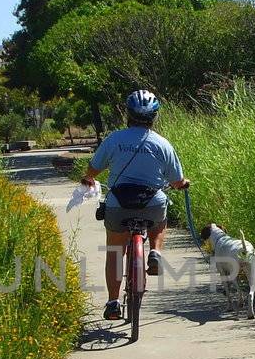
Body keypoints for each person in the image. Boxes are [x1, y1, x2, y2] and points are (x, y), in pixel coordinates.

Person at [80, 89, 190, 321]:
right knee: (160, 220)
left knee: (115, 251)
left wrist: (90, 178)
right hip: (152, 202)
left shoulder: (114, 140)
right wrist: (182, 184)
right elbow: (176, 181)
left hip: (118, 203)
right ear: (155, 116)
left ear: (127, 114)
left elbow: (93, 169)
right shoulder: (162, 144)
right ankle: (155, 252)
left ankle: (112, 302)